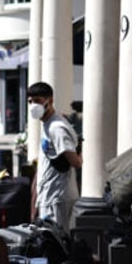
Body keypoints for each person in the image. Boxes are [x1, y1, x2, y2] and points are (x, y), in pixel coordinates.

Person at [26, 82, 82, 232]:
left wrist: (80, 151)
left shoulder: (56, 128)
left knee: (57, 245)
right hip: (48, 198)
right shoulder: (47, 124)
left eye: (37, 101)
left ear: (49, 101)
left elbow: (75, 162)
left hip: (58, 200)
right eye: (30, 102)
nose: (33, 105)